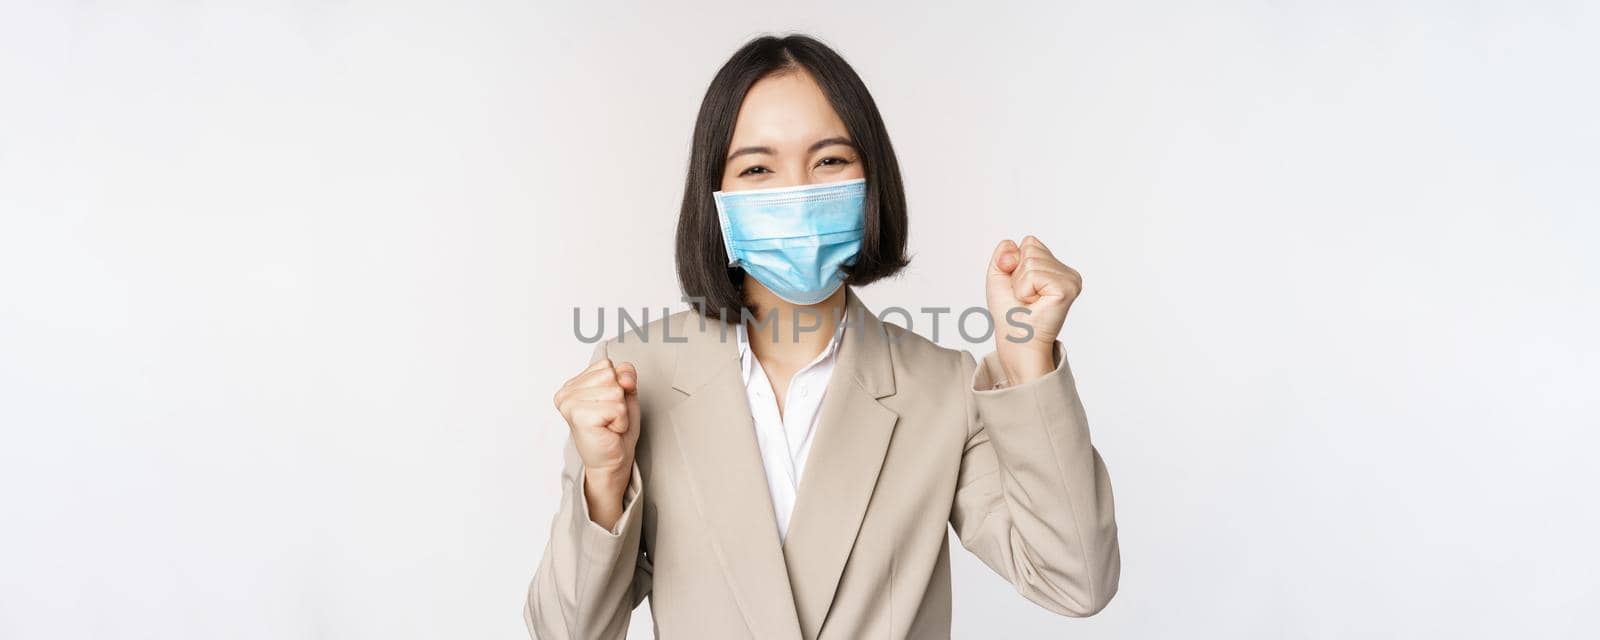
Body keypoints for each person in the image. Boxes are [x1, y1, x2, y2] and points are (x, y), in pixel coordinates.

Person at [526, 33, 1119, 639]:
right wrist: (603, 483)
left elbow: (1074, 580)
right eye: (758, 167)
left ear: (871, 180)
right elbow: (566, 632)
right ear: (717, 198)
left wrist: (1028, 362)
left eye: (830, 160)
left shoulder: (945, 388)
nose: (797, 193)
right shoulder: (635, 375)